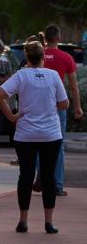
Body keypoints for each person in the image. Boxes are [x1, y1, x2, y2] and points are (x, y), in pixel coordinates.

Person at [0, 41, 68, 234]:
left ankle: (23, 220)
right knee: (49, 176)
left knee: (25, 176)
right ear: (43, 56)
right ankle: (49, 222)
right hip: (50, 133)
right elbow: (64, 104)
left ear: (27, 57)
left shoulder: (21, 75)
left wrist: (12, 116)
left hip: (26, 133)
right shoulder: (53, 76)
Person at [42, 25, 83, 196]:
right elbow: (73, 86)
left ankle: (41, 181)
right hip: (58, 105)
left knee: (38, 144)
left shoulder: (38, 55)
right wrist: (78, 107)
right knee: (58, 146)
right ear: (58, 38)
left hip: (39, 105)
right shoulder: (66, 57)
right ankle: (57, 185)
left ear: (44, 38)